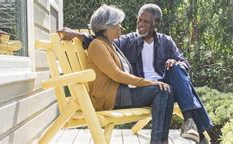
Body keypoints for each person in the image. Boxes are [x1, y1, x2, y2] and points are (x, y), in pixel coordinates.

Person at [59, 3, 220, 143]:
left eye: (146, 21)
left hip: (152, 84)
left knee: (175, 73)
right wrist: (78, 35)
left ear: (156, 23)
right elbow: (100, 44)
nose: (139, 24)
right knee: (164, 89)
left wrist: (175, 63)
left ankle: (187, 123)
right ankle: (195, 130)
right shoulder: (123, 41)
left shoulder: (165, 41)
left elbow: (184, 62)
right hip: (126, 91)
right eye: (139, 20)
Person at [85, 5, 174, 144]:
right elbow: (117, 74)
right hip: (109, 98)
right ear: (106, 27)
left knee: (166, 89)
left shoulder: (110, 45)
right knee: (161, 90)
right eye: (117, 24)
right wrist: (150, 82)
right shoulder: (97, 45)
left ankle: (162, 141)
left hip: (119, 93)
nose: (121, 27)